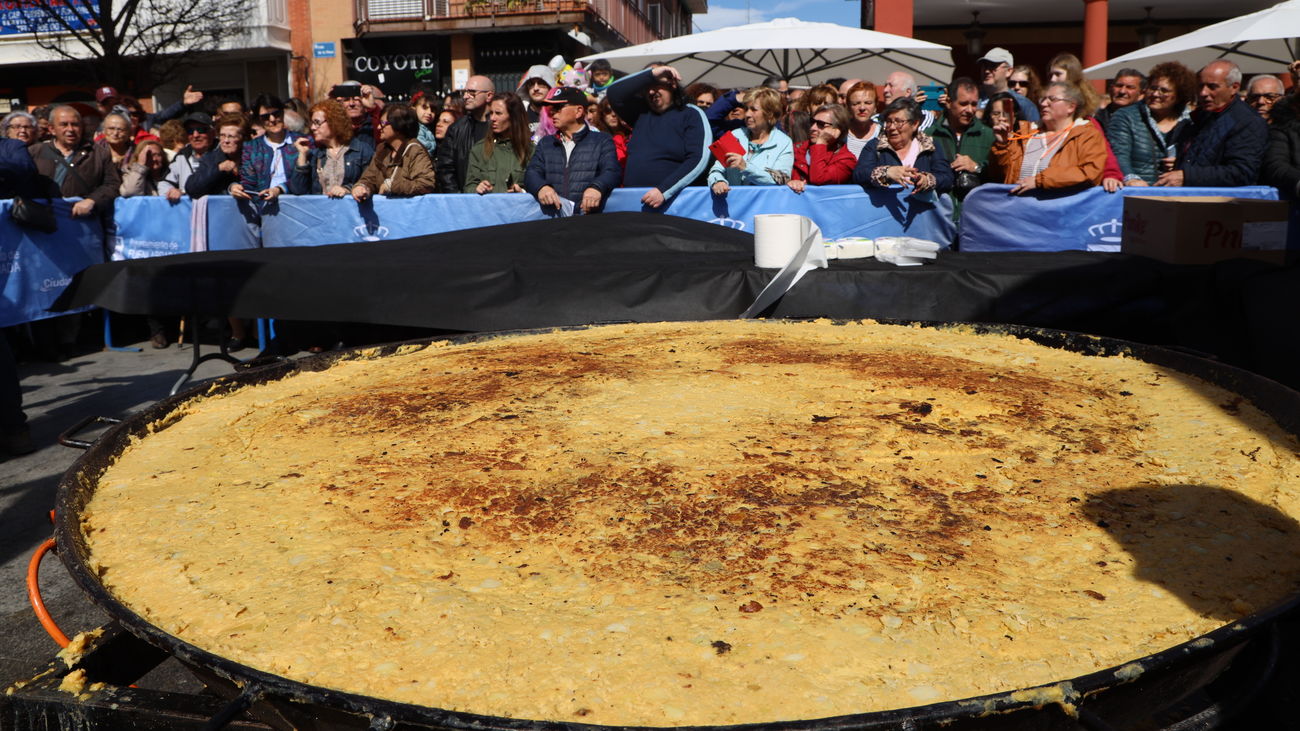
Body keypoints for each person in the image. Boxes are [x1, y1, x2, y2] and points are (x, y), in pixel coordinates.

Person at [606, 64, 710, 209]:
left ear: (672, 84)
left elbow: (698, 159)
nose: (651, 91)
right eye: (647, 87)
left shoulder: (691, 114)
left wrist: (664, 190)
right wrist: (651, 74)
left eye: (656, 85)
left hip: (673, 203)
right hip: (634, 202)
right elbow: (614, 92)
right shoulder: (640, 114)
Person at [1158, 60, 1267, 187]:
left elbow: (1242, 172)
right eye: (1200, 86)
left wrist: (1188, 176)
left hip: (1222, 202)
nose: (1203, 93)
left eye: (1212, 87)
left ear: (1234, 87)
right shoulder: (1202, 116)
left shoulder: (1247, 122)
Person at [988, 82, 1106, 195]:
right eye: (1042, 99)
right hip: (1020, 209)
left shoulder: (1087, 135)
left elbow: (1090, 172)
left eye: (1052, 99)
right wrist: (1002, 145)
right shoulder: (1026, 134)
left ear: (1071, 106)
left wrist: (1039, 181)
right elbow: (1001, 175)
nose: (1044, 104)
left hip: (1060, 211)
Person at [524, 87, 621, 213]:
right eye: (552, 108)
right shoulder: (546, 143)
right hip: (553, 220)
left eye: (558, 108)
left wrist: (597, 187)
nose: (553, 112)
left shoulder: (602, 141)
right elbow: (531, 172)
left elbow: (612, 171)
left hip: (589, 219)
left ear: (578, 111)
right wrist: (541, 187)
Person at [1107, 62, 1195, 186]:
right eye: (1152, 88)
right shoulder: (1126, 116)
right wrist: (1131, 178)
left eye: (1164, 91)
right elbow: (1118, 154)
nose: (1155, 94)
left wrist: (1183, 164)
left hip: (1180, 195)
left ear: (1179, 95)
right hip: (1138, 193)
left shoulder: (1192, 121)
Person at [29, 105, 120, 217]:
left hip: (82, 221)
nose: (70, 129)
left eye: (75, 124)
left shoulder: (97, 153)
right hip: (44, 220)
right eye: (64, 125)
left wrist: (93, 200)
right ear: (52, 129)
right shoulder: (35, 152)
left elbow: (112, 185)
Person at [852, 98, 953, 195]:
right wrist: (886, 173)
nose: (892, 127)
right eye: (889, 121)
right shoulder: (875, 146)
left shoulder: (930, 146)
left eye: (898, 122)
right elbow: (860, 175)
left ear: (914, 124)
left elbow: (946, 178)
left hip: (922, 210)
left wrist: (926, 180)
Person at [708, 86, 793, 195]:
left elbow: (780, 180)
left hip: (764, 207)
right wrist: (718, 181)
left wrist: (746, 167)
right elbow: (716, 170)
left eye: (754, 110)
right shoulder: (735, 135)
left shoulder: (783, 142)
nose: (747, 114)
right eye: (747, 109)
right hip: (733, 204)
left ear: (770, 114)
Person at [929, 77, 994, 207]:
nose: (970, 110)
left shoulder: (988, 135)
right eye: (963, 104)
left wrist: (976, 167)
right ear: (948, 102)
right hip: (940, 216)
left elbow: (999, 176)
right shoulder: (930, 135)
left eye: (974, 104)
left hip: (975, 215)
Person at [289, 99, 374, 197]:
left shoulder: (361, 150)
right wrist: (302, 156)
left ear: (334, 122)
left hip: (353, 210)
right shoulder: (316, 155)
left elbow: (371, 183)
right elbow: (298, 190)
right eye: (312, 123)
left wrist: (348, 189)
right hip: (322, 211)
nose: (312, 127)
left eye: (317, 122)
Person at [352, 103, 436, 200]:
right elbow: (370, 178)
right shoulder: (382, 149)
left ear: (399, 127)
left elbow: (425, 184)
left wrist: (392, 186)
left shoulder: (415, 150)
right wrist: (362, 187)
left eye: (383, 123)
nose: (379, 127)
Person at [230, 94, 301, 201]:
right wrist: (234, 187)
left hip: (296, 205)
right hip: (263, 207)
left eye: (276, 113)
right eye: (265, 117)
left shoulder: (301, 142)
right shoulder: (252, 147)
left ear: (283, 113)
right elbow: (248, 182)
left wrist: (280, 189)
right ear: (259, 120)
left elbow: (305, 181)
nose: (272, 119)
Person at [463, 92, 533, 195]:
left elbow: (539, 189)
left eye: (498, 113)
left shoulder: (531, 150)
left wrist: (522, 192)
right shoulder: (479, 149)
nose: (492, 118)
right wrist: (477, 189)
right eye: (491, 113)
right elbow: (468, 188)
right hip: (489, 209)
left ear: (514, 117)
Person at [436, 75, 493, 193]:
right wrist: (459, 198)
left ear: (489, 96)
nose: (466, 96)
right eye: (465, 92)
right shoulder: (456, 129)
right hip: (466, 201)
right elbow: (446, 169)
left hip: (498, 198)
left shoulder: (501, 126)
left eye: (472, 92)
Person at [788, 103, 856, 193]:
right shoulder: (796, 148)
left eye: (821, 124)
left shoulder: (847, 160)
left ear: (837, 129)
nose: (813, 128)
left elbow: (818, 179)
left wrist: (821, 143)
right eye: (812, 122)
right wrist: (790, 182)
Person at [187, 113, 250, 198]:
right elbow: (192, 188)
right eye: (222, 136)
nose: (226, 141)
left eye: (231, 136)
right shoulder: (210, 159)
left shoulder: (254, 158)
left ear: (243, 138)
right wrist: (218, 169)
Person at [157, 111, 214, 200]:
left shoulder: (222, 153)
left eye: (201, 130)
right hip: (188, 211)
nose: (195, 135)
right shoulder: (182, 156)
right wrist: (171, 191)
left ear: (212, 132)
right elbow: (163, 183)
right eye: (190, 131)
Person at [977, 47, 1040, 123]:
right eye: (984, 66)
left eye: (993, 66)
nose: (986, 71)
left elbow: (1034, 132)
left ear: (1009, 71)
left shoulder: (1024, 105)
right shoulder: (973, 100)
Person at [593, 97, 632, 169]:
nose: (613, 114)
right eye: (608, 111)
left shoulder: (632, 134)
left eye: (616, 110)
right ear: (602, 115)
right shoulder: (598, 139)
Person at [844, 81, 880, 159]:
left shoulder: (883, 132)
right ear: (848, 107)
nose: (862, 108)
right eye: (856, 103)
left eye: (868, 103)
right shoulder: (840, 132)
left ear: (876, 105)